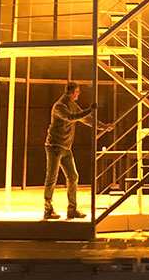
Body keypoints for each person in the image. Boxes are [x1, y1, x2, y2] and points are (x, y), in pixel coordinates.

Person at [43, 81, 111, 220]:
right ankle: (48, 209)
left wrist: (103, 126)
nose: (78, 95)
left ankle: (72, 209)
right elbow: (71, 118)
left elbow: (85, 119)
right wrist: (89, 110)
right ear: (71, 92)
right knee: (51, 178)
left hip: (66, 147)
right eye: (77, 92)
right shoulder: (60, 106)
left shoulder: (72, 105)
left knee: (73, 177)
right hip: (55, 146)